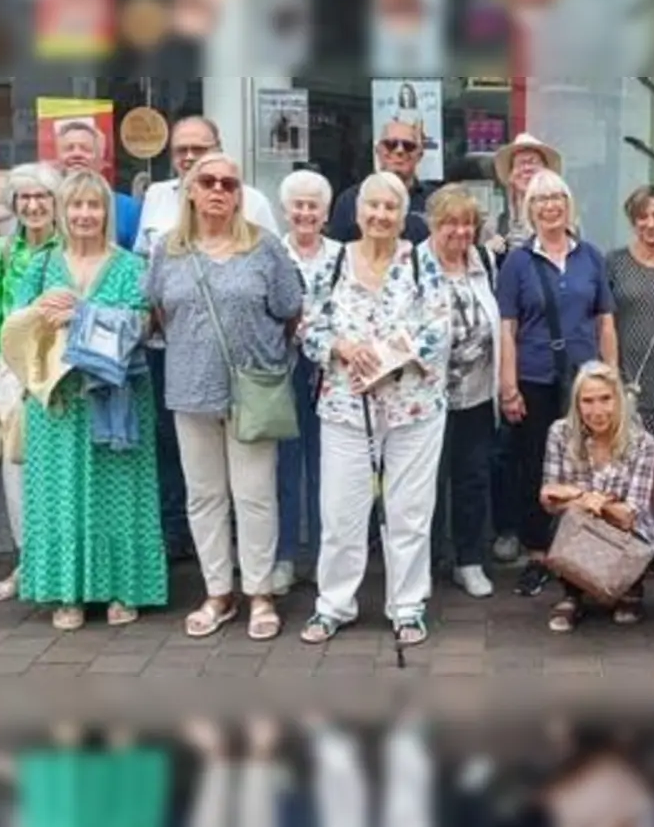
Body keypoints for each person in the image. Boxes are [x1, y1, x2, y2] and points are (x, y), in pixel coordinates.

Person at [148, 153, 305, 641]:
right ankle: (218, 591)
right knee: (204, 496)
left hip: (252, 389)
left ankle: (259, 591)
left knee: (255, 495)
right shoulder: (167, 251)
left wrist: (270, 361)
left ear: (240, 194)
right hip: (190, 390)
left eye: (229, 183)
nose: (219, 189)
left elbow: (290, 309)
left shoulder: (265, 248)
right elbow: (155, 311)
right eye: (208, 181)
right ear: (190, 191)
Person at [8, 170, 168, 630]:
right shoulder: (40, 265)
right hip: (56, 401)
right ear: (62, 211)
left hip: (118, 396)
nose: (84, 215)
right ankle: (68, 594)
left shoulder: (132, 266)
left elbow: (146, 326)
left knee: (120, 491)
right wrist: (41, 314)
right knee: (61, 493)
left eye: (93, 206)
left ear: (107, 212)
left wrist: (84, 315)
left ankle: (123, 589)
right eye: (75, 205)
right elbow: (16, 328)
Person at [300, 171, 451, 647]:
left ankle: (407, 605)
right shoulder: (334, 262)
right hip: (346, 406)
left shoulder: (420, 263)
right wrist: (342, 346)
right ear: (358, 211)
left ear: (403, 216)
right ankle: (334, 605)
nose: (381, 215)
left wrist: (389, 357)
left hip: (413, 407)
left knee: (409, 511)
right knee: (341, 511)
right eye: (374, 206)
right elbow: (308, 326)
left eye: (391, 208)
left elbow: (440, 325)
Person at [136, 116, 280, 562]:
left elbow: (285, 305)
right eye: (183, 151)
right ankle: (208, 577)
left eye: (201, 150)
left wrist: (259, 350)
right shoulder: (159, 209)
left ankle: (256, 582)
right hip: (184, 369)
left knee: (253, 490)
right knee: (196, 483)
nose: (191, 159)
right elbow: (155, 297)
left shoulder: (257, 213)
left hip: (248, 378)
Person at [496, 168, 617, 597]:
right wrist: (508, 386)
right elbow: (507, 327)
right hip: (534, 376)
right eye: (541, 200)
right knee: (536, 465)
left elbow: (605, 321)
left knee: (586, 463)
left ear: (569, 206)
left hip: (584, 380)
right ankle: (537, 554)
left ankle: (583, 551)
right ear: (530, 209)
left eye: (557, 198)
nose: (550, 206)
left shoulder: (590, 257)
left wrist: (612, 376)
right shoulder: (518, 261)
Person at [0, 163, 61, 603]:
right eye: (24, 198)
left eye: (41, 196)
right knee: (18, 469)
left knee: (62, 470)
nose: (32, 205)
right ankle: (27, 561)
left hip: (63, 371)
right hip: (12, 371)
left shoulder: (72, 249)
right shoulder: (2, 251)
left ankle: (60, 563)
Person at [541, 361, 654, 633]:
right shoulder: (560, 433)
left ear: (619, 399)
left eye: (605, 399)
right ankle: (572, 593)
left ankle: (629, 588)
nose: (597, 410)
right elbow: (547, 497)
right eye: (588, 401)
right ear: (577, 404)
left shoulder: (643, 442)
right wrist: (586, 498)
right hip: (579, 521)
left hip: (625, 529)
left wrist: (592, 502)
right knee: (566, 519)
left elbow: (633, 512)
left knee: (629, 527)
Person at [488, 132, 562, 565]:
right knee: (504, 449)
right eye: (520, 163)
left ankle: (546, 531)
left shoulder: (565, 225)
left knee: (543, 446)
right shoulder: (491, 223)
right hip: (499, 346)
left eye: (534, 161)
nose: (527, 168)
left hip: (543, 354)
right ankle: (506, 528)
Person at [424, 184, 501, 598]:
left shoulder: (485, 261)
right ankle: (425, 563)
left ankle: (468, 560)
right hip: (426, 398)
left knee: (472, 479)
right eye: (450, 222)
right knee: (426, 484)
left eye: (468, 222)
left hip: (475, 395)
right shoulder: (414, 264)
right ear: (434, 225)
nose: (460, 231)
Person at [275, 169, 342, 595]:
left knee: (328, 467)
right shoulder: (271, 253)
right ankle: (283, 556)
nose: (305, 213)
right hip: (282, 370)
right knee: (283, 465)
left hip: (332, 372)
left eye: (313, 205)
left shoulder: (343, 255)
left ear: (326, 212)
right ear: (285, 211)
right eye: (297, 205)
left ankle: (322, 555)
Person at [608, 183, 654, 527]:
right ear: (632, 220)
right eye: (642, 216)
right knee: (615, 457)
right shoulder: (614, 263)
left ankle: (646, 537)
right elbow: (602, 319)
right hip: (620, 372)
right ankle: (613, 538)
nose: (650, 223)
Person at [327, 119, 435, 244]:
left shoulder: (435, 201)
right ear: (378, 151)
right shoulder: (350, 199)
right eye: (391, 144)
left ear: (420, 155)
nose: (399, 151)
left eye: (408, 146)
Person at [49, 119, 141, 249]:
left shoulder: (128, 208)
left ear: (100, 158)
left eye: (85, 149)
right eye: (68, 148)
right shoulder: (45, 205)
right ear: (58, 157)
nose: (76, 154)